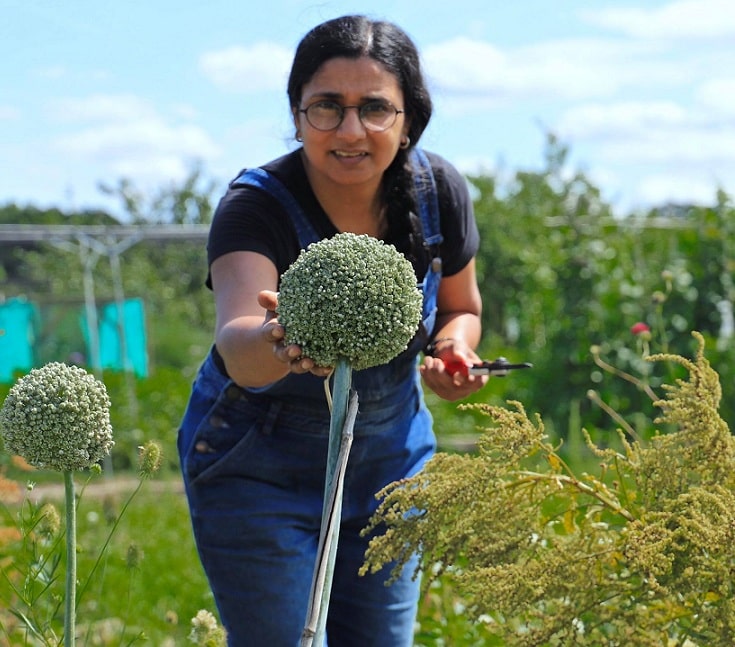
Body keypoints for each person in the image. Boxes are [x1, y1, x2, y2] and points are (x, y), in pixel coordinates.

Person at [178, 14, 486, 647]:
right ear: (296, 117)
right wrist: (280, 339)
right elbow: (238, 342)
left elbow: (460, 307)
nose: (351, 130)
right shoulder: (255, 205)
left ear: (408, 121)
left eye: (376, 108)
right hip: (256, 464)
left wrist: (453, 350)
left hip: (390, 464)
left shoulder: (438, 192)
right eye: (327, 108)